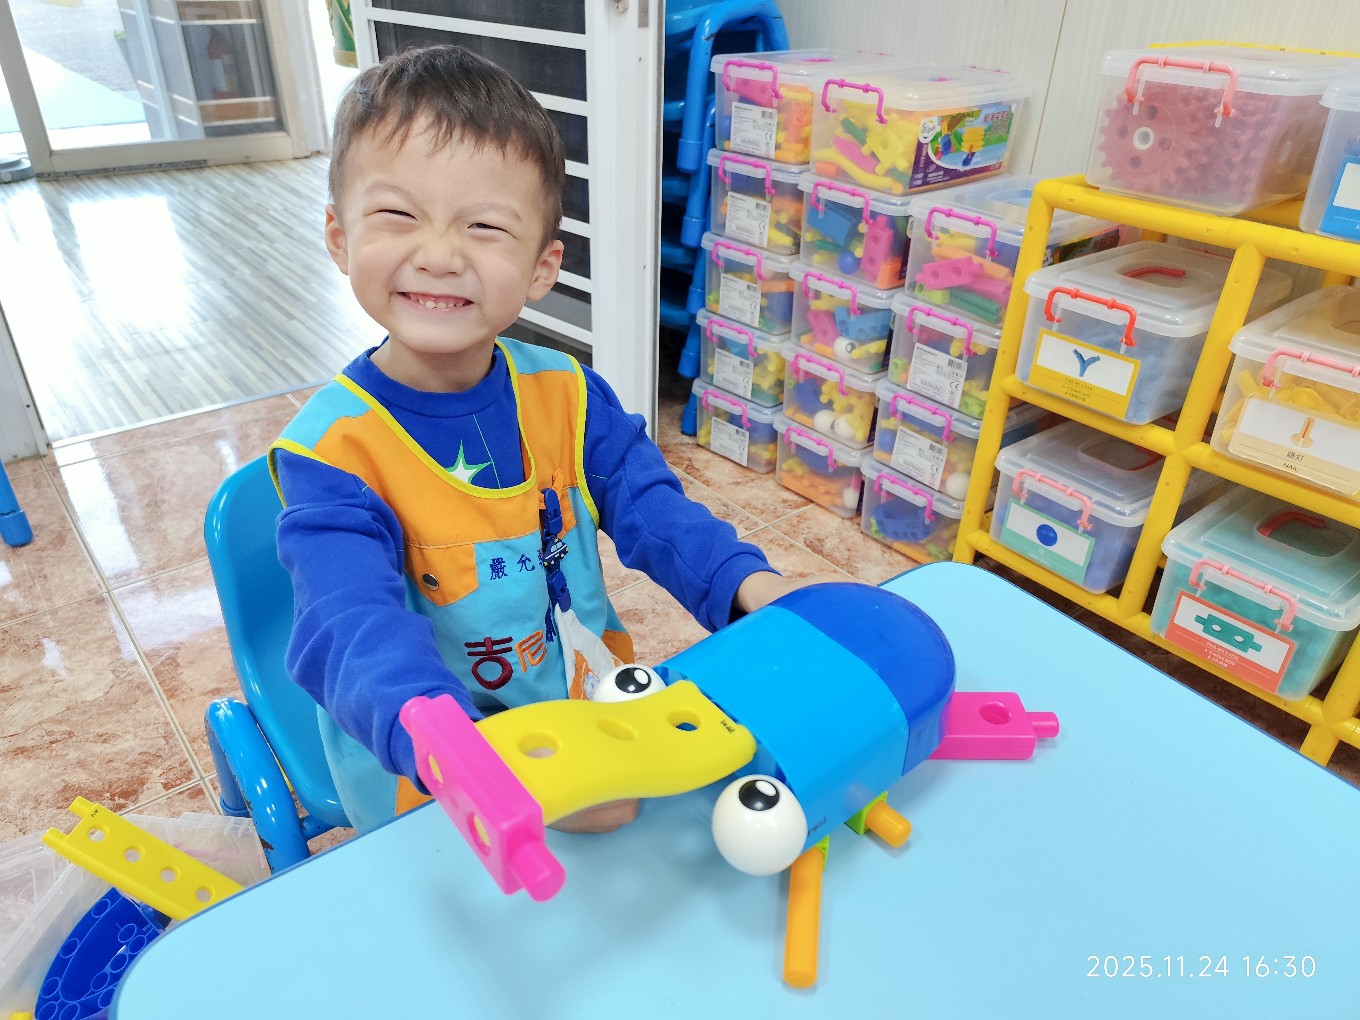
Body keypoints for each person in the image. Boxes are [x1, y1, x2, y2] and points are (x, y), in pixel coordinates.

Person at [270, 45, 834, 836]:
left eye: (484, 226)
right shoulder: (329, 454)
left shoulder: (568, 394)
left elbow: (655, 512)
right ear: (339, 236)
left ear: (542, 267)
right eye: (398, 215)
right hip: (433, 766)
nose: (439, 255)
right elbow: (348, 622)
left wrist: (749, 585)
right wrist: (453, 751)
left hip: (583, 705)